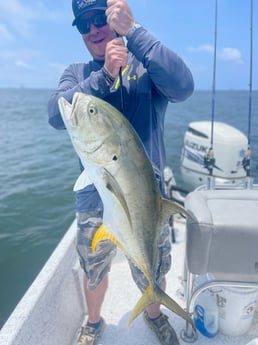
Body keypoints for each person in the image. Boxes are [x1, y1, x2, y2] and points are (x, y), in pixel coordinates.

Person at [48, 0, 194, 344]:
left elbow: (184, 86)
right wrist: (104, 78)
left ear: (115, 19)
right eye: (84, 25)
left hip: (147, 198)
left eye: (100, 18)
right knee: (93, 269)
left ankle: (153, 311)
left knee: (153, 267)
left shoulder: (146, 70)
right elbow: (56, 114)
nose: (93, 29)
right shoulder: (77, 74)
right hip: (94, 196)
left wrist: (135, 33)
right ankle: (94, 322)